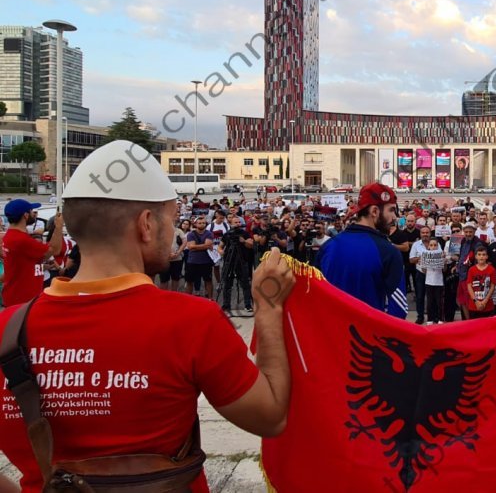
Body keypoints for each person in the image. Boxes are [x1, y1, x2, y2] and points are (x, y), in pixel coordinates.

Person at [0, 140, 294, 493]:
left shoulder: (6, 329)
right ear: (146, 225)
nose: (173, 232)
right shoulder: (191, 320)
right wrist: (269, 307)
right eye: (170, 219)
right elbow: (270, 415)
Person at [316, 183, 407, 318]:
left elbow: (315, 296)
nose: (395, 217)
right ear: (374, 212)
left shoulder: (328, 246)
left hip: (331, 334)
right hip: (367, 336)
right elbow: (399, 311)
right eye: (392, 210)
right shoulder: (388, 252)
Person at [1, 200, 65, 307]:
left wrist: (40, 266)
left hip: (16, 297)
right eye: (31, 211)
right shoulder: (21, 239)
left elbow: (19, 264)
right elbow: (54, 250)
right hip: (23, 300)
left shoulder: (10, 236)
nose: (34, 214)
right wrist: (58, 227)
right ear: (25, 215)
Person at [219, 213, 254, 316]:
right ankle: (226, 305)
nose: (238, 224)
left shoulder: (245, 233)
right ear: (231, 223)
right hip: (229, 261)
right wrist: (220, 251)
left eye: (239, 222)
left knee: (245, 284)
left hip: (242, 261)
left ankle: (247, 305)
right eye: (236, 222)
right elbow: (220, 246)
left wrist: (243, 241)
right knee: (227, 284)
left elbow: (251, 245)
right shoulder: (228, 234)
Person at [185, 217, 214, 299]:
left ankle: (210, 299)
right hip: (192, 261)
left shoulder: (209, 233)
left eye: (204, 223)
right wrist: (205, 246)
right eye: (200, 223)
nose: (202, 224)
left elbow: (193, 246)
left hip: (206, 261)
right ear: (195, 224)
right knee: (189, 281)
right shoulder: (191, 234)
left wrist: (195, 247)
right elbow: (191, 247)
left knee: (208, 281)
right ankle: (188, 299)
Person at [466, 246, 496, 319]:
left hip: (488, 305)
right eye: (479, 254)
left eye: (483, 254)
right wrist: (476, 301)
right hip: (474, 305)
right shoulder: (471, 270)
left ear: (487, 256)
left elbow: (492, 286)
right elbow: (469, 286)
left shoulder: (491, 269)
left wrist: (485, 301)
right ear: (476, 256)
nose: (481, 257)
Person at [423, 237, 445, 324]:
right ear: (428, 246)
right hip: (429, 281)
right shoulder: (425, 255)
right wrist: (423, 263)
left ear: (437, 246)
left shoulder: (441, 254)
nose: (433, 247)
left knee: (439, 302)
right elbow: (424, 271)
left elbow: (444, 270)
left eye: (435, 245)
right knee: (430, 302)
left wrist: (443, 260)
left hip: (439, 282)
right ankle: (430, 319)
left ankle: (440, 318)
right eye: (431, 245)